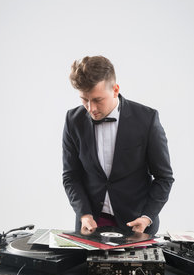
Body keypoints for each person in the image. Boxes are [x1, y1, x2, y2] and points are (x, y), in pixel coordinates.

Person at [62, 55, 174, 236]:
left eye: (98, 100)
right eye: (84, 100)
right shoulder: (72, 121)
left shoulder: (147, 119)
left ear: (115, 90)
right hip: (90, 225)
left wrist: (147, 217)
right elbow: (71, 176)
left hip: (137, 225)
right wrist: (84, 214)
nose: (91, 108)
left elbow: (164, 178)